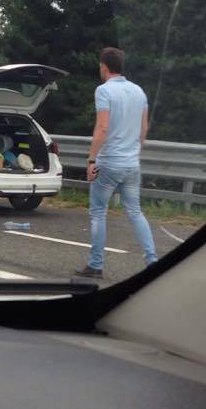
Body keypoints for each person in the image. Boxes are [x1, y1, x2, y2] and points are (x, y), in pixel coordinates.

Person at [73, 47, 157, 279]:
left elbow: (102, 127)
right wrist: (134, 153)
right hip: (132, 163)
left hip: (109, 162)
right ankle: (152, 260)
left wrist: (91, 159)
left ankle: (96, 265)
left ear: (104, 67)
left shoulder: (104, 91)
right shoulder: (139, 92)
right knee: (135, 211)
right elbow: (143, 131)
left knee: (98, 212)